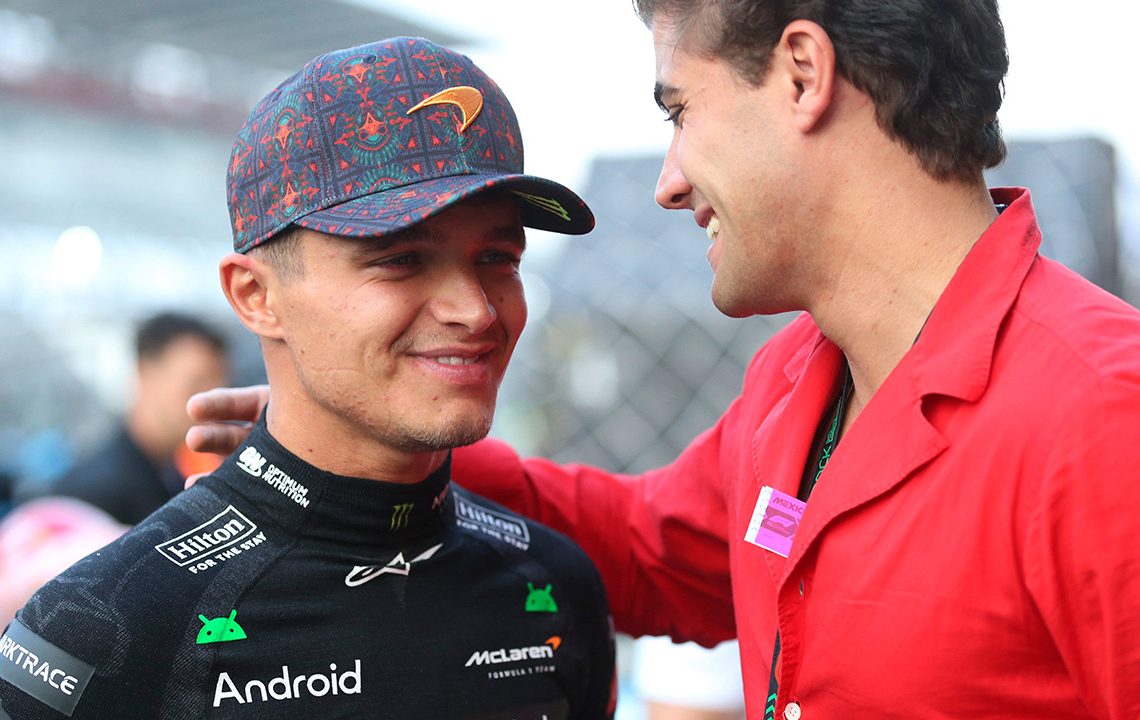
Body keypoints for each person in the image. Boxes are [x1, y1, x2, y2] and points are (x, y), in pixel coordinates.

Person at [184, 3, 1140, 719]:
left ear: (802, 74)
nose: (669, 182)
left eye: (679, 111)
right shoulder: (795, 384)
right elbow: (654, 551)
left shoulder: (1103, 417)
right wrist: (386, 443)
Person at [0, 37, 615, 719]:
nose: (475, 311)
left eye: (498, 257)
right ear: (256, 296)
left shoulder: (555, 585)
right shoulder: (100, 630)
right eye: (400, 259)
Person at [45, 311, 230, 525]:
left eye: (220, 388)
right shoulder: (95, 496)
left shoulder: (170, 476)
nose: (215, 403)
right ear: (145, 374)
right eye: (196, 384)